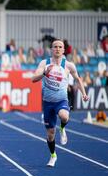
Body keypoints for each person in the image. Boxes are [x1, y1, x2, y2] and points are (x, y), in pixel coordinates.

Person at [31, 39, 89, 167]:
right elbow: (33, 79)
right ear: (51, 49)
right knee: (51, 134)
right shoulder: (44, 63)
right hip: (47, 103)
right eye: (55, 47)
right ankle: (53, 156)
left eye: (60, 47)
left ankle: (62, 128)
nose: (57, 49)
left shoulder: (69, 65)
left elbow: (78, 79)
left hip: (61, 100)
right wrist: (45, 73)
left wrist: (84, 94)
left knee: (64, 116)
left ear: (63, 50)